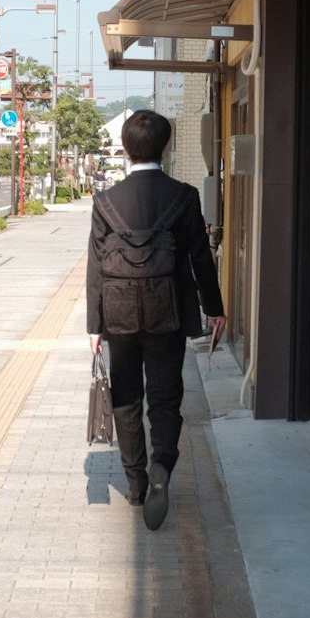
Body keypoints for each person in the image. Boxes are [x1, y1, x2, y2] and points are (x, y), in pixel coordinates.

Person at [87, 109, 225, 530]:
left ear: (126, 149)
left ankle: (136, 482)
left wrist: (94, 326)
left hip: (119, 314)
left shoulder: (105, 201)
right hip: (169, 313)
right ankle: (163, 463)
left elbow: (95, 265)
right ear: (164, 147)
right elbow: (200, 257)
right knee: (165, 398)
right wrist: (214, 308)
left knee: (127, 397)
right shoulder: (184, 196)